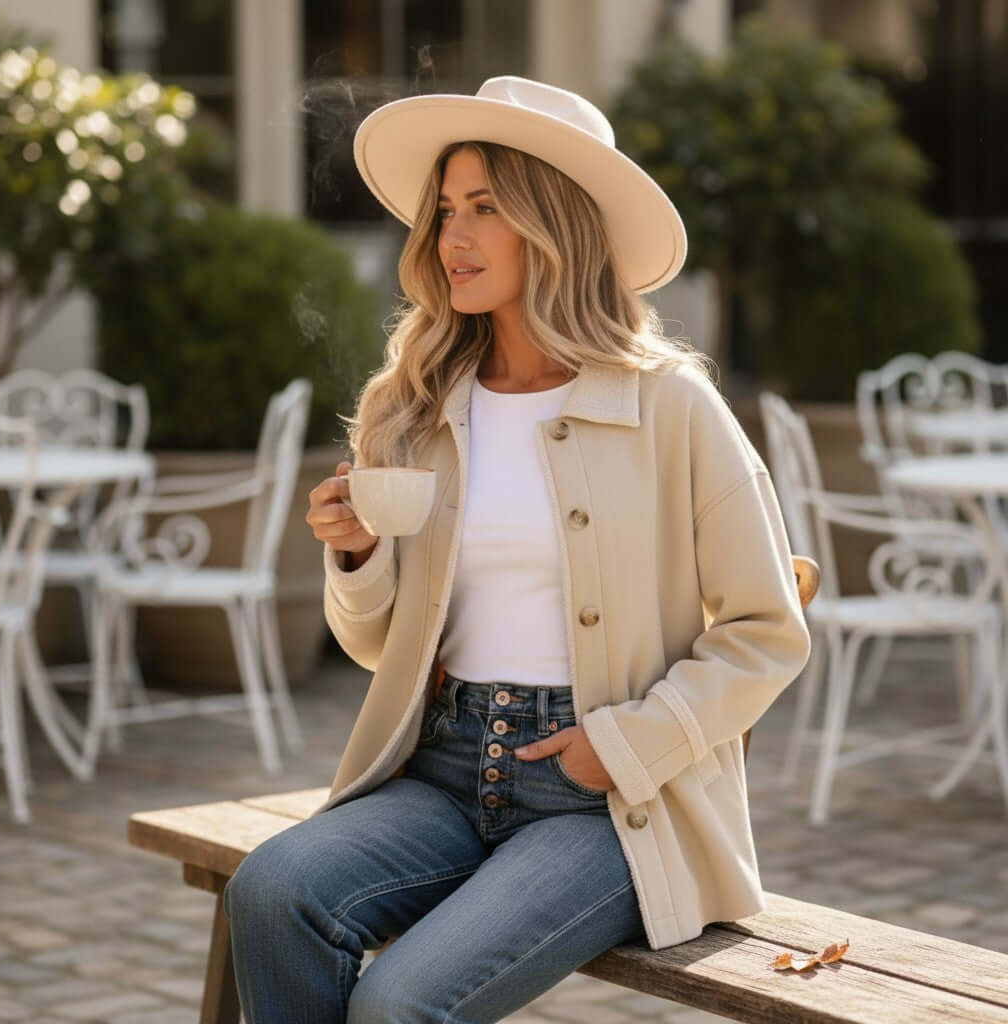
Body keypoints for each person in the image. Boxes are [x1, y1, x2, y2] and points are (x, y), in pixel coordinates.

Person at [224, 76, 811, 1023]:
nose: (452, 237)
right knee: (272, 891)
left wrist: (617, 749)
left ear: (557, 224)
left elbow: (765, 632)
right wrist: (359, 558)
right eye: (446, 210)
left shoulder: (670, 407)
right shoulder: (416, 405)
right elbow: (375, 649)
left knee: (399, 1005)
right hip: (447, 765)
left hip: (610, 801)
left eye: (486, 209)